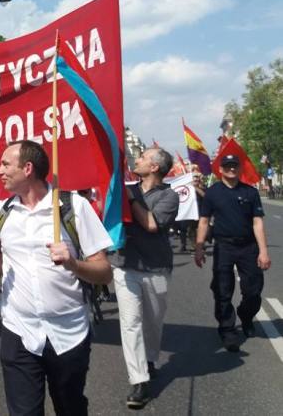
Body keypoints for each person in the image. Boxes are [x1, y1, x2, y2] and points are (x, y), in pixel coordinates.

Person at [0, 140, 113, 416]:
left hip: (69, 334)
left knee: (70, 409)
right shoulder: (1, 213)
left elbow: (104, 272)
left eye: (6, 164)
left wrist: (73, 264)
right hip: (19, 332)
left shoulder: (73, 207)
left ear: (28, 168)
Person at [111, 148, 179, 409]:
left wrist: (131, 199)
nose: (136, 159)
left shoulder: (169, 196)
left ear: (154, 167)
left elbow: (151, 224)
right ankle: (139, 381)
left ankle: (150, 359)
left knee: (153, 322)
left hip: (156, 269)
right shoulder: (126, 188)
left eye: (142, 157)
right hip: (125, 265)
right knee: (130, 323)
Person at [195, 154, 270, 352]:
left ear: (240, 168)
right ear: (220, 169)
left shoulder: (250, 192)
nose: (231, 169)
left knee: (253, 290)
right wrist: (199, 247)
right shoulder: (212, 193)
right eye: (227, 166)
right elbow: (204, 221)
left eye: (234, 166)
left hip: (248, 247)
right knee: (222, 290)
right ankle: (227, 330)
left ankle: (245, 316)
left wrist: (263, 251)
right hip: (224, 247)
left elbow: (258, 223)